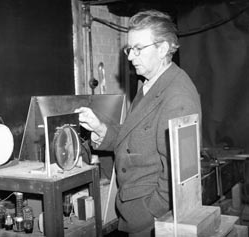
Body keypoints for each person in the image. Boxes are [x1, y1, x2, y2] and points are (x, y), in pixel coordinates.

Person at [75, 9, 201, 237]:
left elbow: (177, 175)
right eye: (129, 49)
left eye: (138, 49)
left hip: (151, 220)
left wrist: (150, 213)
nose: (130, 56)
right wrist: (100, 128)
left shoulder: (177, 96)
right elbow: (132, 139)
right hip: (134, 209)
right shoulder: (148, 84)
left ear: (162, 48)